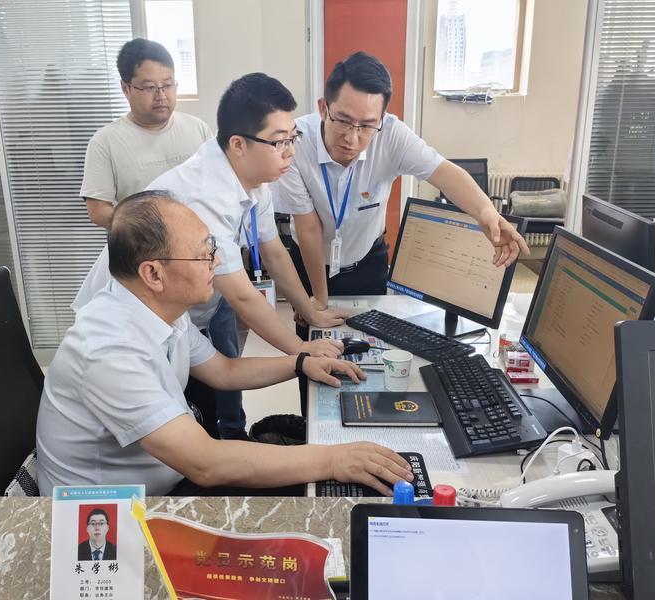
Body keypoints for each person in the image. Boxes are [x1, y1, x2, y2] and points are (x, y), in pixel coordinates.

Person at [37, 191, 413, 496]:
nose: (216, 262)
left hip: (167, 477)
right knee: (328, 484)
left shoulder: (160, 308)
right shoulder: (107, 350)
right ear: (153, 273)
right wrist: (333, 460)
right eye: (203, 254)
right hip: (121, 512)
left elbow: (223, 371)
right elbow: (207, 463)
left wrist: (300, 363)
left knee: (318, 468)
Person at [72, 73, 347, 439]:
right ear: (238, 144)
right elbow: (241, 295)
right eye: (279, 141)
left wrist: (310, 314)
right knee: (175, 422)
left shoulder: (252, 179)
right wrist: (301, 349)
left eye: (293, 137)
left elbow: (274, 252)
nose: (290, 152)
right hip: (133, 319)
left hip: (178, 316)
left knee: (213, 386)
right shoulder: (204, 197)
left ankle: (225, 436)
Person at [274, 52, 530, 310]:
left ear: (382, 119)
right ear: (323, 108)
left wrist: (485, 211)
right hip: (309, 262)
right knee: (312, 330)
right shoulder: (295, 142)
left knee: (371, 330)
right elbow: (308, 228)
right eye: (343, 121)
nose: (352, 138)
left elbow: (444, 172)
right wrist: (320, 299)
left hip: (367, 261)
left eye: (367, 126)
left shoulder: (392, 135)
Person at [80, 38, 211, 228]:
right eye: (150, 87)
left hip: (199, 239)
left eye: (167, 85)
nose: (161, 96)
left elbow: (216, 183)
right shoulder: (105, 142)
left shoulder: (197, 128)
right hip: (144, 242)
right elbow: (98, 210)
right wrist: (147, 229)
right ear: (126, 88)